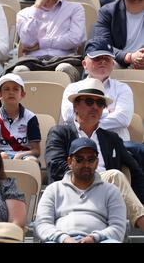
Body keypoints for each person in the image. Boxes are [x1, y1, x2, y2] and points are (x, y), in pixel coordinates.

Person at [45, 78, 144, 231]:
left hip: (106, 196)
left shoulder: (111, 138)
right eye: (90, 102)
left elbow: (135, 170)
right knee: (115, 176)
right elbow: (55, 166)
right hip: (71, 192)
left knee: (117, 176)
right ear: (76, 105)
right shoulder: (60, 133)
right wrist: (91, 176)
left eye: (100, 104)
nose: (95, 107)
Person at [61, 38, 144, 171]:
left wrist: (87, 119)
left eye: (107, 58)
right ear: (84, 64)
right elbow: (69, 117)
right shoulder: (72, 88)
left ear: (113, 63)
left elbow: (123, 119)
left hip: (117, 150)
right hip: (80, 148)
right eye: (97, 58)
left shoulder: (123, 88)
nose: (103, 61)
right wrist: (106, 112)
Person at [36, 137, 126, 243]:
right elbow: (42, 223)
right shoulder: (53, 189)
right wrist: (64, 238)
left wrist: (93, 238)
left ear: (97, 163)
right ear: (69, 162)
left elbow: (118, 227)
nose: (86, 164)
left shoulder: (111, 191)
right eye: (79, 159)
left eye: (91, 159)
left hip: (100, 240)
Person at [12, 0, 86, 82]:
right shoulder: (24, 13)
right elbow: (28, 42)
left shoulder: (75, 8)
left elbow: (75, 39)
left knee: (64, 68)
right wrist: (37, 7)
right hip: (34, 63)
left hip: (65, 61)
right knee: (20, 71)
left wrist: (42, 43)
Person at [92, 0, 144, 69]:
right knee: (102, 64)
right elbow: (101, 45)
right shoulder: (107, 12)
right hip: (119, 62)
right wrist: (129, 57)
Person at [0, 73, 41, 163]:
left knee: (31, 161)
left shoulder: (30, 117)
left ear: (22, 94)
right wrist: (2, 155)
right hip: (0, 156)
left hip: (24, 156)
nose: (11, 92)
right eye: (6, 89)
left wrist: (20, 155)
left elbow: (36, 151)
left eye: (15, 89)